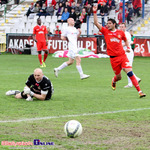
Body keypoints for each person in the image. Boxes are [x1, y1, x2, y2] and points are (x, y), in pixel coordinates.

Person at [93, 5, 146, 98]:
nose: (107, 25)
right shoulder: (105, 32)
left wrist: (128, 47)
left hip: (122, 56)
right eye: (107, 23)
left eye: (109, 23)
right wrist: (94, 12)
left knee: (130, 72)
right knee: (119, 77)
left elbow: (125, 40)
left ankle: (140, 91)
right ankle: (113, 81)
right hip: (113, 59)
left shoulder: (120, 33)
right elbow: (96, 23)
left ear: (114, 24)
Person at [119, 23, 141, 88]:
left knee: (126, 68)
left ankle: (131, 83)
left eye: (122, 27)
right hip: (123, 52)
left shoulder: (127, 34)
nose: (121, 28)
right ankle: (135, 79)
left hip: (128, 52)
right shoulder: (119, 34)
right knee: (125, 68)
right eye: (120, 27)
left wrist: (118, 45)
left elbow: (127, 43)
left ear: (125, 27)